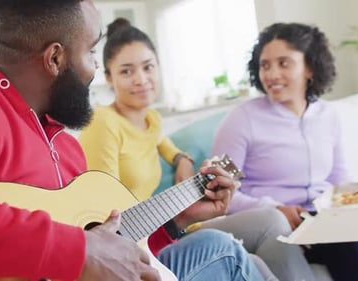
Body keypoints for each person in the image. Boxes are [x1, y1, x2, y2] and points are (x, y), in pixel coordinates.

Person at [0, 1, 258, 281]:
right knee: (230, 255)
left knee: (219, 247)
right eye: (92, 51)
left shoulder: (64, 145)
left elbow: (107, 257)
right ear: (55, 59)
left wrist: (174, 222)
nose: (95, 68)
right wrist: (75, 251)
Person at [78, 18, 297, 281]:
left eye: (148, 67)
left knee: (256, 263)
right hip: (130, 244)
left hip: (155, 232)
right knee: (252, 237)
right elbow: (102, 212)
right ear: (109, 79)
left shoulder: (151, 120)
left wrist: (182, 159)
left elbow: (165, 145)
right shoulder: (103, 122)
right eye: (126, 72)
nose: (141, 79)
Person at [212, 22, 358, 281]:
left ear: (310, 68)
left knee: (348, 233)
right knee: (347, 243)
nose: (271, 74)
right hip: (281, 228)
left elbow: (339, 182)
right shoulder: (242, 119)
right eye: (265, 65)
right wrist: (275, 208)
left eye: (283, 63)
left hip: (324, 219)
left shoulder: (327, 115)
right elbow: (219, 192)